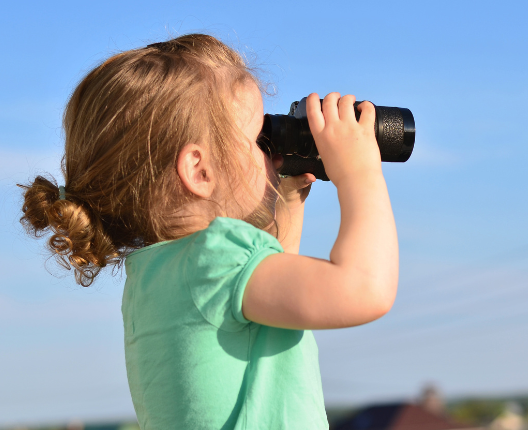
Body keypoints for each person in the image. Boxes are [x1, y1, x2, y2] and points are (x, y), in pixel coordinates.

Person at [18, 34, 399, 429]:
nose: (269, 151)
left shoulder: (157, 275)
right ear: (199, 171)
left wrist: (286, 201)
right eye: (256, 140)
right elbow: (365, 289)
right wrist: (357, 170)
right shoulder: (215, 257)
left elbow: (272, 310)